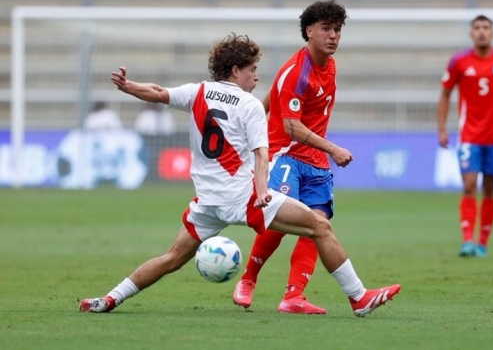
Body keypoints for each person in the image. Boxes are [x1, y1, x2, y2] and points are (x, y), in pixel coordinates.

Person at [78, 33, 401, 317]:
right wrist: (262, 191)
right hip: (243, 198)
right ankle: (359, 298)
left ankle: (109, 298)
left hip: (207, 202)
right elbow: (262, 155)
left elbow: (158, 92)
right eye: (252, 70)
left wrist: (128, 86)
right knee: (320, 226)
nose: (256, 77)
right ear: (236, 70)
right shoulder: (248, 106)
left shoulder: (198, 92)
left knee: (171, 257)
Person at [232, 0, 354, 315]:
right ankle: (248, 279)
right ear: (309, 31)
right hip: (285, 155)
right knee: (281, 222)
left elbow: (275, 94)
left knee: (318, 224)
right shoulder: (296, 71)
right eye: (326, 29)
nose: (333, 36)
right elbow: (292, 127)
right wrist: (334, 148)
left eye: (337, 29)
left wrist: (256, 113)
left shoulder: (329, 65)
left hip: (315, 161)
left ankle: (293, 296)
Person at [437, 15, 493, 258]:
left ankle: (483, 243)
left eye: (486, 28)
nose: (481, 32)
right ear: (471, 34)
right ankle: (467, 240)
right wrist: (442, 128)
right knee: (468, 185)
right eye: (477, 28)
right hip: (469, 136)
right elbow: (445, 94)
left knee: (490, 188)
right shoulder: (459, 62)